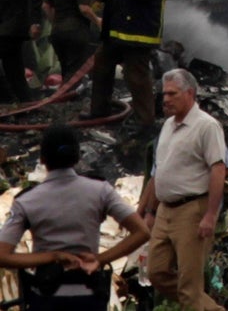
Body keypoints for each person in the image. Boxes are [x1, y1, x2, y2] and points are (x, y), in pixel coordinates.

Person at [0, 124, 150, 311]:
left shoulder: (27, 200)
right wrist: (101, 258)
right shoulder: (100, 191)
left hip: (46, 297)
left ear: (42, 159)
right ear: (77, 156)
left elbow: (3, 255)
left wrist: (51, 257)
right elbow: (142, 232)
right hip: (90, 296)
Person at [137, 69, 227, 310]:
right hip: (165, 211)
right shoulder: (167, 125)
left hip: (192, 210)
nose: (165, 99)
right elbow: (160, 171)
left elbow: (219, 170)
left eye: (172, 94)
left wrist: (209, 215)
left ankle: (196, 301)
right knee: (156, 273)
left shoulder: (206, 126)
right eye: (163, 94)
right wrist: (149, 211)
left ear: (189, 93)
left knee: (189, 287)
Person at [87, 0, 166, 126]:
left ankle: (145, 122)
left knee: (137, 79)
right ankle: (98, 111)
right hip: (116, 33)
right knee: (101, 66)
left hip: (138, 35)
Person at [43, 0, 101, 80]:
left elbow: (46, 6)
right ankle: (71, 98)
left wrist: (55, 21)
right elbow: (84, 9)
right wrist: (98, 22)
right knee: (75, 72)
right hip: (76, 33)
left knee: (66, 70)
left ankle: (63, 98)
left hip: (57, 33)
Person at [0, 0, 42, 104]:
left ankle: (13, 101)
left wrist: (35, 22)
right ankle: (24, 103)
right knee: (14, 71)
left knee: (13, 69)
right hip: (2, 28)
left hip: (13, 29)